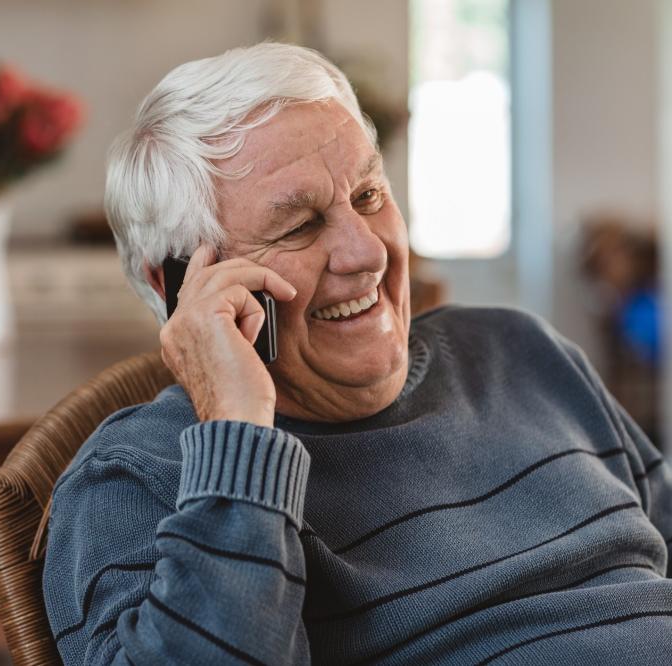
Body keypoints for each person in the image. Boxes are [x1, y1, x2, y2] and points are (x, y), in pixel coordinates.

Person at [42, 42, 672, 665]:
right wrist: (238, 436)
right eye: (299, 225)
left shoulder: (522, 351)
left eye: (369, 196)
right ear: (180, 285)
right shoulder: (136, 477)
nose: (368, 251)